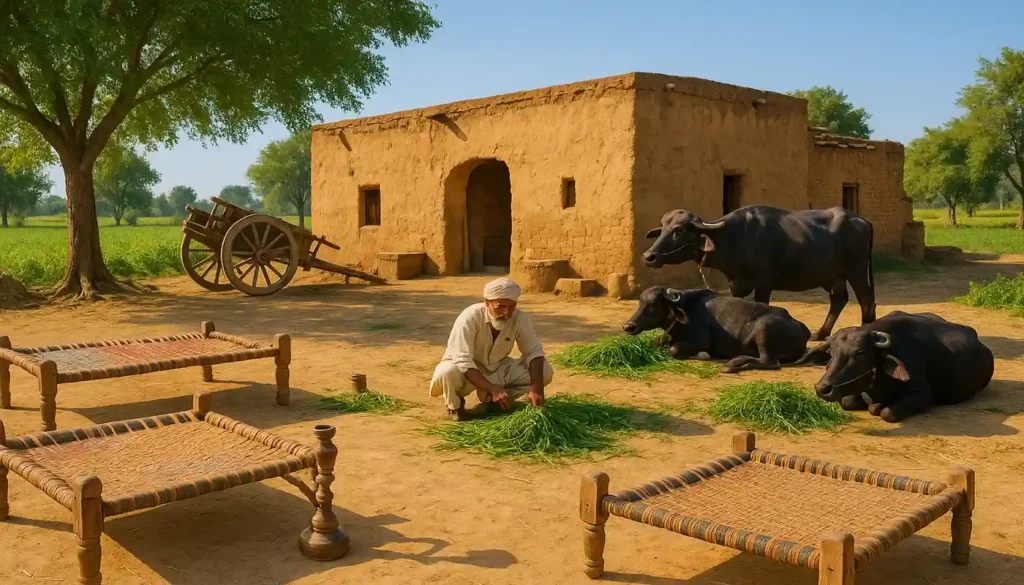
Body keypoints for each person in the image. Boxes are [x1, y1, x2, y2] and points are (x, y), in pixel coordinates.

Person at [429, 277, 554, 421]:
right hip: (468, 372)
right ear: (487, 303)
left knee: (544, 371)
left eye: (511, 307)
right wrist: (491, 387)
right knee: (446, 371)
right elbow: (462, 360)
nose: (506, 313)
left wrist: (537, 388)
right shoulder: (470, 317)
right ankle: (455, 407)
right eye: (500, 306)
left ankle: (498, 400)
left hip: (498, 368)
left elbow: (534, 351)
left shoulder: (520, 318)